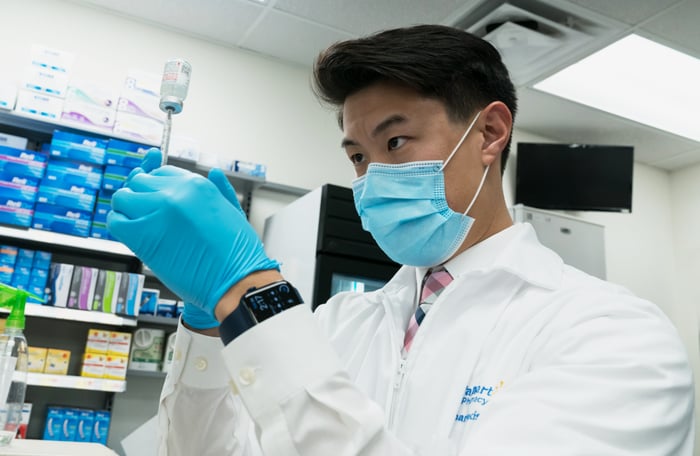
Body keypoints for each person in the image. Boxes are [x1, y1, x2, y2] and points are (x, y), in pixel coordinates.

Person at [108, 24, 694, 455]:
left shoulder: (613, 335)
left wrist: (251, 294)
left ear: (489, 132)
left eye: (395, 144)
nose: (372, 178)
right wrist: (209, 324)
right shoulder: (340, 322)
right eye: (359, 156)